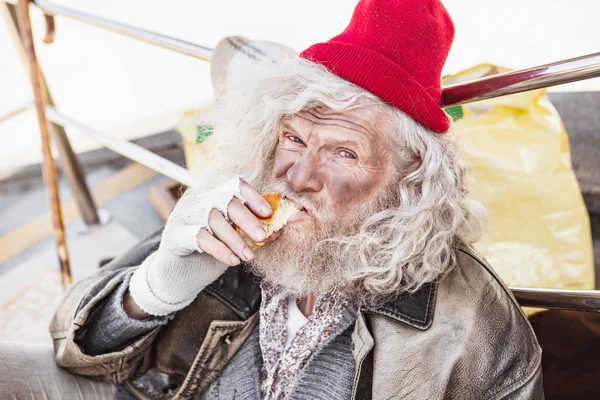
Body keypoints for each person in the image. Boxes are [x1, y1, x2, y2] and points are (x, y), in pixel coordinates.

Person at [0, 0, 544, 398]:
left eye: (345, 153)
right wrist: (157, 284)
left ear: (409, 181)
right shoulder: (237, 208)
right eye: (295, 137)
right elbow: (78, 352)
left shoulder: (473, 331)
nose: (298, 174)